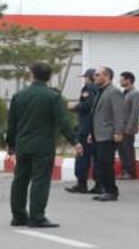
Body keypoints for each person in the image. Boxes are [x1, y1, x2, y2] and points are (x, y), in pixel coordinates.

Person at [7, 62, 78, 227]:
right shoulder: (53, 96)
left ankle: (18, 216)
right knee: (40, 180)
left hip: (22, 144)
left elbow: (12, 123)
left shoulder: (19, 95)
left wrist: (10, 143)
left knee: (20, 179)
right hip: (43, 145)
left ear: (32, 74)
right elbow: (63, 122)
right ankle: (37, 216)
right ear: (49, 77)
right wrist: (74, 141)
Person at [90, 67, 122, 200]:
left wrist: (118, 131)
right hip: (98, 133)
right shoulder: (101, 91)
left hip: (108, 134)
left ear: (107, 76)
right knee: (100, 163)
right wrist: (91, 133)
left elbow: (119, 114)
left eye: (97, 75)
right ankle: (105, 189)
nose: (94, 77)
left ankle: (111, 191)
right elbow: (97, 114)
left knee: (105, 163)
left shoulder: (114, 92)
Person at [65, 68, 98, 193]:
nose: (84, 80)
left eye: (85, 77)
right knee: (95, 157)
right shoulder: (98, 89)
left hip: (86, 127)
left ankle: (81, 183)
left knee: (82, 155)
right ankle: (98, 184)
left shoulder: (88, 88)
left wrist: (74, 106)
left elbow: (88, 105)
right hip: (93, 127)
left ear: (89, 77)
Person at [115, 71, 139, 179]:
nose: (120, 81)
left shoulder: (135, 93)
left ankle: (130, 171)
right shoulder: (123, 93)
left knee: (128, 149)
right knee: (121, 149)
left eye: (122, 79)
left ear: (128, 80)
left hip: (128, 127)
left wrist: (130, 127)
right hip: (120, 126)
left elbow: (134, 112)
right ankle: (124, 170)